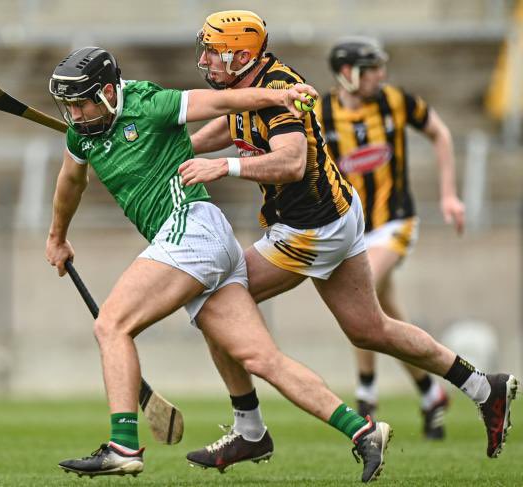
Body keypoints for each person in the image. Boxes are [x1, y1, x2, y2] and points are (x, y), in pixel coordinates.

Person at [179, 9, 518, 473]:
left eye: (213, 53)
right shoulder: (246, 88)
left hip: (310, 230)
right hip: (338, 216)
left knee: (216, 303)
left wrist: (224, 167)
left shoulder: (279, 89)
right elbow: (232, 123)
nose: (205, 60)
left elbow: (292, 162)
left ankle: (249, 430)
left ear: (241, 54)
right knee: (370, 328)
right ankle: (483, 386)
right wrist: (181, 149)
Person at [45, 45, 392, 483]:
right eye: (68, 106)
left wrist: (278, 97)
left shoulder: (150, 102)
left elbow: (223, 102)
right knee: (262, 358)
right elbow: (69, 182)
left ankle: (123, 445)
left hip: (190, 228)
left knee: (111, 325)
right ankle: (362, 432)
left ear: (110, 91)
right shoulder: (82, 133)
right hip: (209, 241)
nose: (75, 114)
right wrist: (57, 236)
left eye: (82, 103)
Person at [313, 36, 465, 438]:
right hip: (352, 226)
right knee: (386, 314)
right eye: (371, 69)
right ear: (347, 74)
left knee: (359, 299)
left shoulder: (395, 101)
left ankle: (366, 395)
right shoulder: (321, 112)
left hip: (394, 220)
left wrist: (449, 194)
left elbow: (441, 134)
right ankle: (430, 392)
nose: (380, 75)